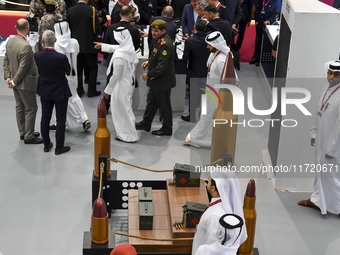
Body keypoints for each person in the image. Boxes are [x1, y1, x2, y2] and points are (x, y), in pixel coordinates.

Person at [298, 60, 340, 215]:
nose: (332, 77)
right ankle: (317, 200)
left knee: (333, 175)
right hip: (321, 140)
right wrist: (314, 133)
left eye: (336, 74)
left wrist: (332, 149)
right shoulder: (325, 89)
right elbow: (318, 113)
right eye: (330, 73)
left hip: (333, 145)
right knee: (320, 172)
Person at [184, 31, 232, 148]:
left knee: (208, 116)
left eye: (209, 45)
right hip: (210, 91)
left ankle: (196, 138)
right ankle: (207, 139)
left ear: (216, 46)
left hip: (216, 95)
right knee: (207, 116)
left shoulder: (221, 60)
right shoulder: (214, 55)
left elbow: (229, 79)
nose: (207, 47)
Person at [94, 27, 138, 142]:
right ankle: (128, 131)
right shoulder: (129, 48)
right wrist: (102, 46)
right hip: (129, 83)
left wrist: (107, 91)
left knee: (120, 110)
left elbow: (115, 76)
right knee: (127, 108)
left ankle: (127, 135)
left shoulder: (119, 57)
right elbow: (117, 48)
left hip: (121, 86)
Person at [3, 18, 42, 144]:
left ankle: (23, 132)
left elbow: (6, 60)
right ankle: (29, 136)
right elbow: (23, 68)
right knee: (31, 108)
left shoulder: (10, 41)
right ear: (28, 28)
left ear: (15, 27)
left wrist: (8, 77)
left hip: (15, 82)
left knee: (20, 107)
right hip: (25, 83)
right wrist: (13, 81)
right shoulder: (26, 47)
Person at [135, 20, 176, 136]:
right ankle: (146, 123)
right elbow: (156, 56)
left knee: (164, 105)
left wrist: (148, 75)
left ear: (163, 30)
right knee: (151, 102)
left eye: (156, 31)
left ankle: (167, 128)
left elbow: (161, 67)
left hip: (162, 81)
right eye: (152, 30)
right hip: (157, 80)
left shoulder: (165, 44)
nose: (153, 33)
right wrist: (149, 61)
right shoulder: (158, 41)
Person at [34, 30, 72, 154]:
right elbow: (69, 70)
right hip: (60, 90)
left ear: (43, 42)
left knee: (45, 117)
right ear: (55, 41)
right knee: (61, 120)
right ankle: (59, 147)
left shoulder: (37, 56)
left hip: (45, 90)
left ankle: (46, 144)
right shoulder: (61, 57)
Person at [192, 171, 247, 254]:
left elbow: (211, 247)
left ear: (213, 188)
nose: (207, 183)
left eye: (209, 181)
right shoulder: (226, 204)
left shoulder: (215, 216)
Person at [53, 20, 91, 132]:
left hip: (61, 77)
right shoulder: (74, 42)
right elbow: (77, 53)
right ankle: (83, 119)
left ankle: (61, 122)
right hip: (73, 75)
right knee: (74, 96)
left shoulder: (56, 45)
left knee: (60, 100)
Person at [103, 5, 141, 112]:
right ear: (130, 15)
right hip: (128, 61)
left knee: (111, 80)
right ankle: (124, 107)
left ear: (120, 15)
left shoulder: (111, 28)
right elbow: (137, 47)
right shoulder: (134, 30)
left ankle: (106, 107)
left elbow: (106, 44)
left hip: (113, 59)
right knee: (126, 84)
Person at [67, 0, 101, 97]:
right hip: (90, 43)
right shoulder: (92, 10)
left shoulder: (70, 10)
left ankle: (79, 90)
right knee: (92, 67)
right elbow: (97, 27)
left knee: (78, 68)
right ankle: (91, 90)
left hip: (75, 45)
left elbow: (68, 28)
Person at [181, 19, 210, 122]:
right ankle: (203, 115)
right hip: (206, 71)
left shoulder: (190, 41)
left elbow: (185, 58)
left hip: (193, 70)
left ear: (194, 28)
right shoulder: (209, 41)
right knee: (204, 93)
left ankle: (191, 115)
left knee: (192, 94)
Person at [249, 0, 281, 66]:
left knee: (265, 42)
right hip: (260, 22)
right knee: (258, 40)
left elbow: (277, 13)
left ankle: (261, 59)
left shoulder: (277, 1)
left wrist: (269, 21)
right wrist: (257, 20)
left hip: (269, 24)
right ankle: (256, 57)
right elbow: (257, 9)